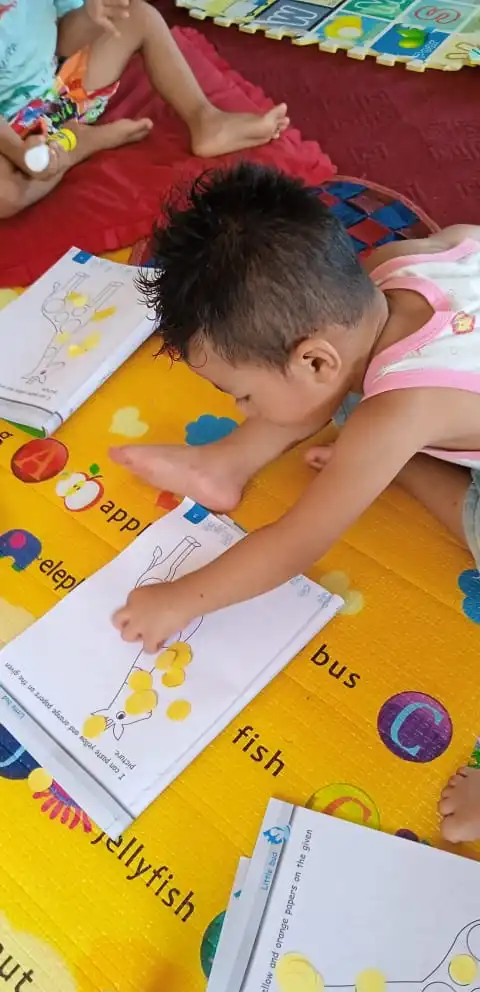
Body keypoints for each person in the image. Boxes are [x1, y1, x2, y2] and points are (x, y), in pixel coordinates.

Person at [111, 162, 480, 842]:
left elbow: (291, 545)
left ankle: (396, 467)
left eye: (242, 396)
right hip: (434, 390)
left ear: (315, 360)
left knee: (373, 425)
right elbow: (466, 238)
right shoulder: (392, 267)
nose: (241, 407)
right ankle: (227, 464)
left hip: (416, 416)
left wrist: (179, 599)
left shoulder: (393, 412)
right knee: (350, 403)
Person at [0, 0, 289, 218]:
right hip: (9, 131)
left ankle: (206, 120)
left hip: (63, 94)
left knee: (139, 16)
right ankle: (78, 144)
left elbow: (63, 42)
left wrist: (90, 16)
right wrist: (19, 152)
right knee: (6, 196)